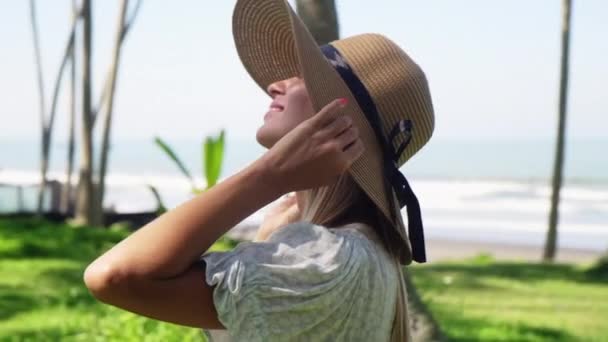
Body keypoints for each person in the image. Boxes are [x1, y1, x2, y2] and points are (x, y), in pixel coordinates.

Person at [83, 0, 435, 341]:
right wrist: (267, 235)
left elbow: (113, 275)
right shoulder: (337, 251)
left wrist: (271, 175)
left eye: (306, 75)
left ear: (344, 122)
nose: (275, 84)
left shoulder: (328, 261)